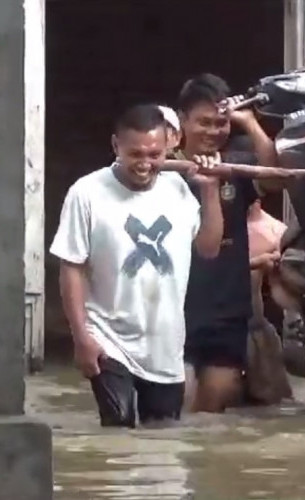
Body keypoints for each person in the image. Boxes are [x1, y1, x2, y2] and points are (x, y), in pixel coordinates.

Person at [50, 104, 223, 428]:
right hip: (109, 340)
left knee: (162, 443)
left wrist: (211, 190)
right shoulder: (87, 193)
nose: (145, 164)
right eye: (135, 154)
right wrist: (81, 338)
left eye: (155, 155)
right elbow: (71, 267)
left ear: (168, 148)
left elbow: (210, 248)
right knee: (119, 430)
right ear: (116, 146)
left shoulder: (178, 188)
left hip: (164, 347)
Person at [174, 73, 279, 413]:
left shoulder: (236, 165)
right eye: (203, 122)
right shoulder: (164, 169)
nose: (213, 131)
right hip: (176, 310)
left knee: (214, 412)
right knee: (178, 410)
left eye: (221, 123)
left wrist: (248, 123)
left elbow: (275, 179)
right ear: (182, 121)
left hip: (226, 311)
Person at [245, 199, 293, 405]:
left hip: (254, 324)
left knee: (274, 403)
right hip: (209, 323)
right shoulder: (208, 221)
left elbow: (283, 294)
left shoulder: (275, 231)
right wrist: (256, 262)